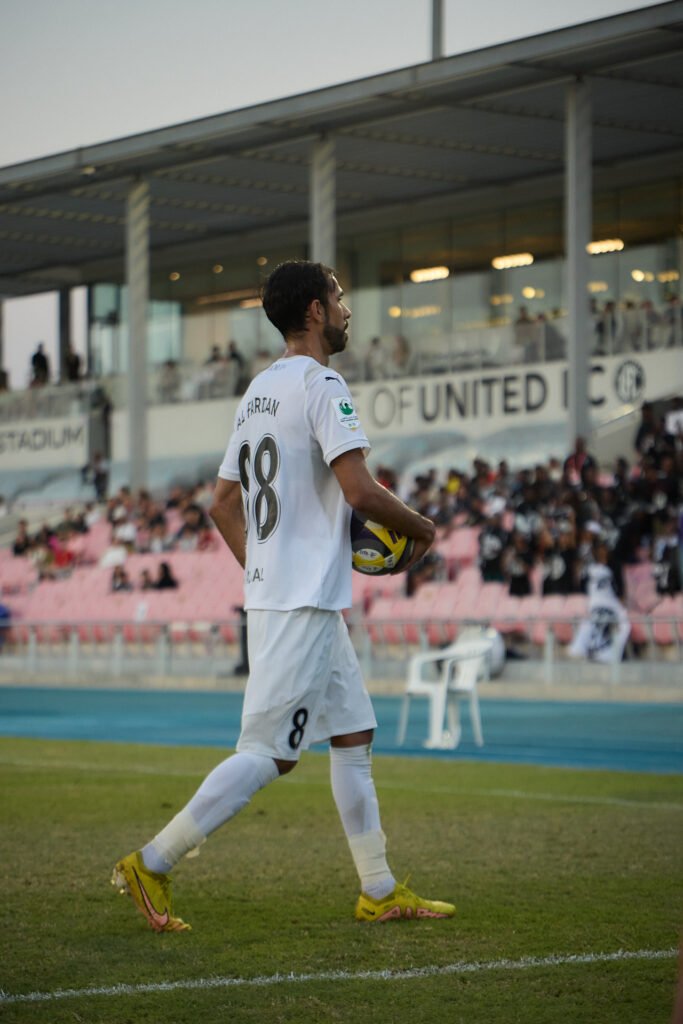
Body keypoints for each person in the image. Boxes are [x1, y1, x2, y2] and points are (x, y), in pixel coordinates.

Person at [112, 259, 453, 933]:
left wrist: (263, 572)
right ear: (316, 311)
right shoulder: (323, 385)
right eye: (339, 297)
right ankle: (152, 863)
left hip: (296, 597)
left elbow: (221, 504)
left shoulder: (259, 391)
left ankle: (378, 888)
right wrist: (424, 528)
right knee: (271, 754)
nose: (347, 309)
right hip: (301, 602)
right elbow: (359, 491)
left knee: (353, 733)